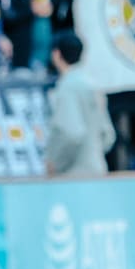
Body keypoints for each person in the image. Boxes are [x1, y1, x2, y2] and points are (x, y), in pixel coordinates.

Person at [45, 31, 115, 176]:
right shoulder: (93, 85)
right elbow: (108, 136)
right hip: (98, 169)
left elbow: (71, 133)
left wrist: (55, 163)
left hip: (73, 174)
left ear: (57, 54)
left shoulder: (66, 87)